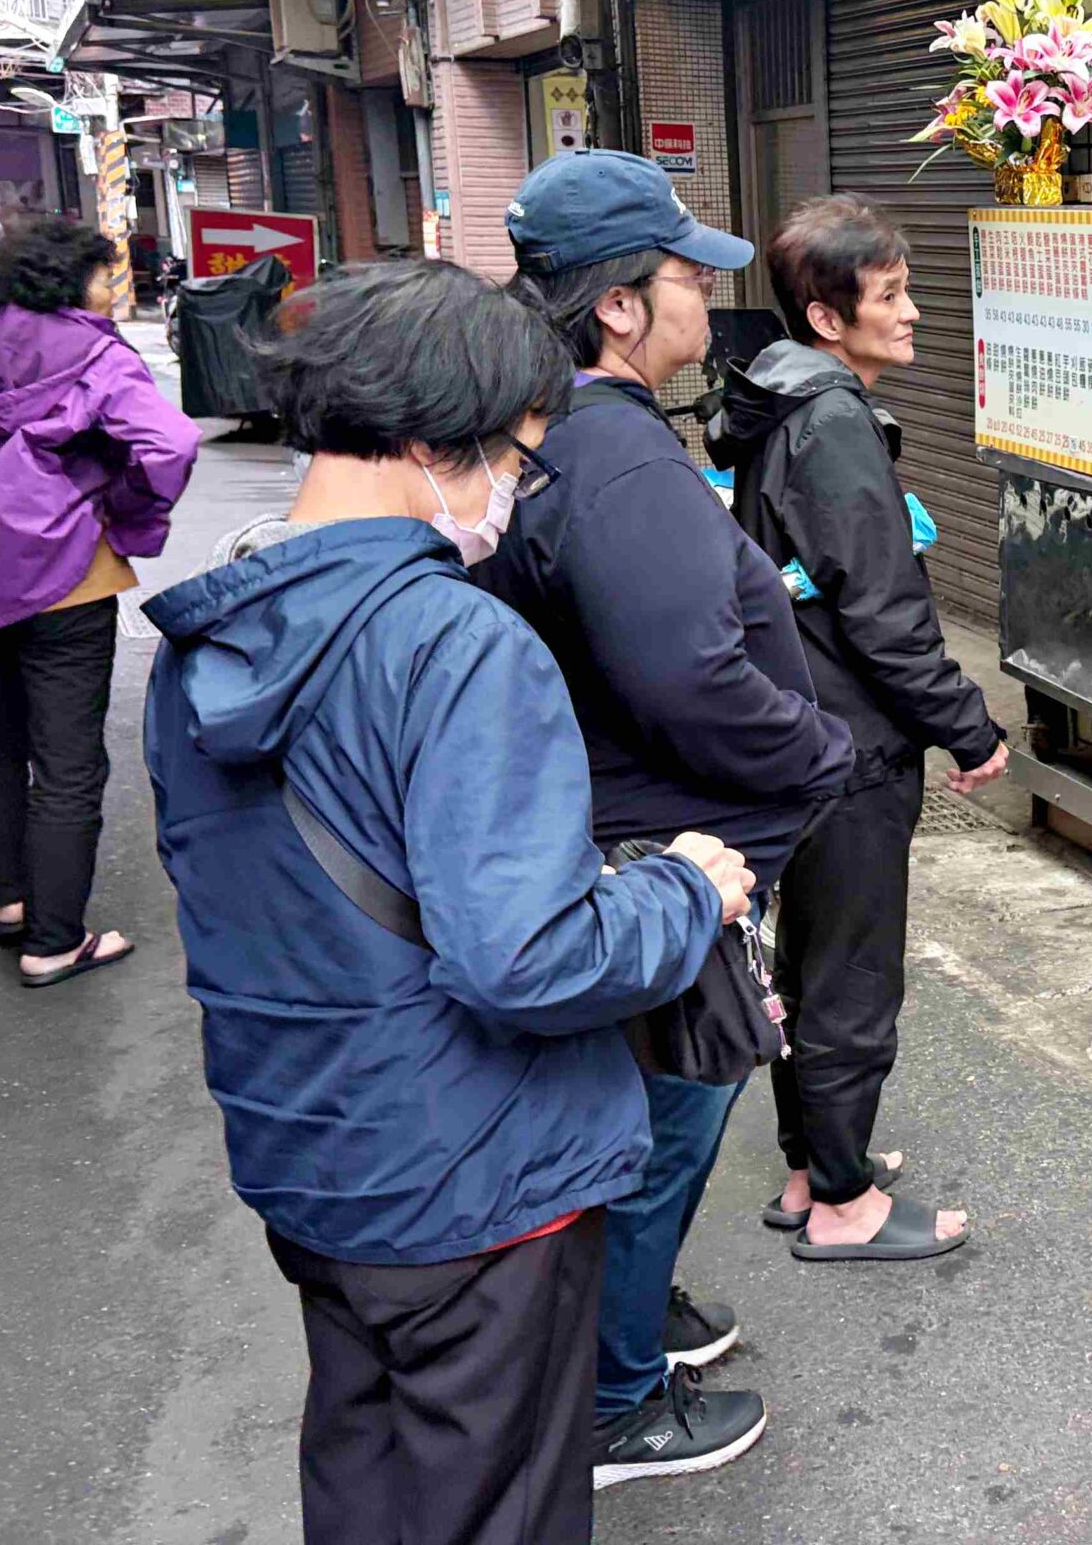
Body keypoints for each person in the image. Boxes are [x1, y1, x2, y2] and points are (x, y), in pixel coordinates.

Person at [142, 262, 747, 1545]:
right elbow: (524, 959)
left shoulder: (208, 637)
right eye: (518, 457)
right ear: (433, 439)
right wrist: (682, 891)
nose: (515, 491)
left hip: (307, 1147)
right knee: (497, 1507)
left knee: (367, 1474)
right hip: (477, 1171)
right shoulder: (454, 642)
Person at [478, 152, 856, 1484]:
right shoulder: (618, 458)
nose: (709, 299)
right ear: (621, 306)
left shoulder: (563, 433)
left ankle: (626, 1320)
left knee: (646, 1108)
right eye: (690, 276)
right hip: (666, 842)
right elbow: (687, 675)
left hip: (625, 823)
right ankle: (615, 1397)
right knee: (667, 1114)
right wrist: (816, 750)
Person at [713, 194, 1003, 1261]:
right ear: (827, 319)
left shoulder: (782, 400)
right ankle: (842, 1203)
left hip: (801, 726)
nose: (913, 312)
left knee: (809, 959)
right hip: (850, 741)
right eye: (890, 296)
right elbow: (884, 612)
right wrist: (968, 726)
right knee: (851, 972)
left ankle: (811, 1167)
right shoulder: (832, 422)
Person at [0, 215, 198, 983]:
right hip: (67, 572)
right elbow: (170, 444)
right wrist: (126, 503)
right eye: (106, 275)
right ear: (69, 280)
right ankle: (53, 940)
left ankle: (8, 901)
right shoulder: (95, 354)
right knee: (68, 762)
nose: (113, 288)